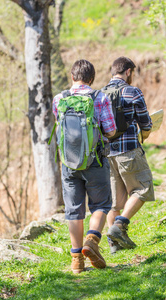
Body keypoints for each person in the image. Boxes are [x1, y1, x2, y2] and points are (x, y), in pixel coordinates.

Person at [52, 59, 116, 273]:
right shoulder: (100, 97)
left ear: (72, 77)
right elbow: (110, 130)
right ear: (92, 79)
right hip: (95, 160)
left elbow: (60, 127)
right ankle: (92, 240)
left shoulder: (60, 98)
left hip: (69, 163)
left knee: (73, 210)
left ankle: (76, 261)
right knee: (101, 204)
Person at [105, 56, 155, 254]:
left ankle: (114, 245)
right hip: (129, 151)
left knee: (114, 201)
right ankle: (119, 226)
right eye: (132, 73)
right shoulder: (132, 91)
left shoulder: (99, 94)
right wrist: (148, 129)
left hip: (107, 155)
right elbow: (146, 123)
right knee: (143, 188)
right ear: (128, 72)